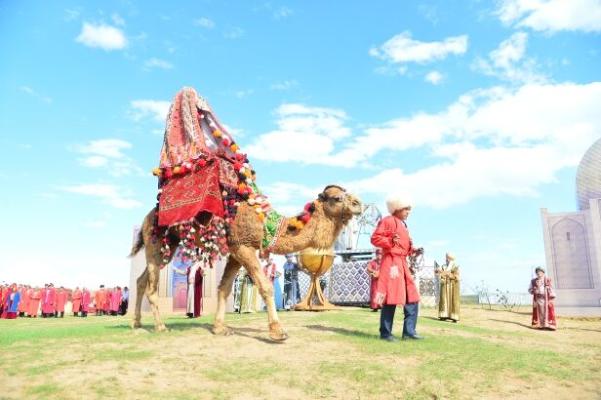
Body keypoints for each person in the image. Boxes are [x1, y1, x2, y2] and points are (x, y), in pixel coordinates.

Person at [371, 195, 424, 342]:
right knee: (390, 298)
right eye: (406, 209)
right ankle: (385, 333)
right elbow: (375, 238)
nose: (408, 212)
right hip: (392, 263)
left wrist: (413, 250)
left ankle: (409, 332)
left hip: (402, 263)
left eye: (409, 209)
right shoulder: (388, 221)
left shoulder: (403, 225)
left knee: (412, 297)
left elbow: (403, 246)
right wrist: (389, 240)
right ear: (397, 209)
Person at [435, 253, 461, 322]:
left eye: (447, 258)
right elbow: (438, 272)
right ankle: (443, 315)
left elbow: (457, 277)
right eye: (446, 258)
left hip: (452, 286)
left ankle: (454, 317)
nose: (446, 259)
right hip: (445, 286)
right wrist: (439, 272)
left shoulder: (455, 266)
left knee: (453, 301)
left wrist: (448, 274)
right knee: (444, 300)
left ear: (450, 259)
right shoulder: (443, 266)